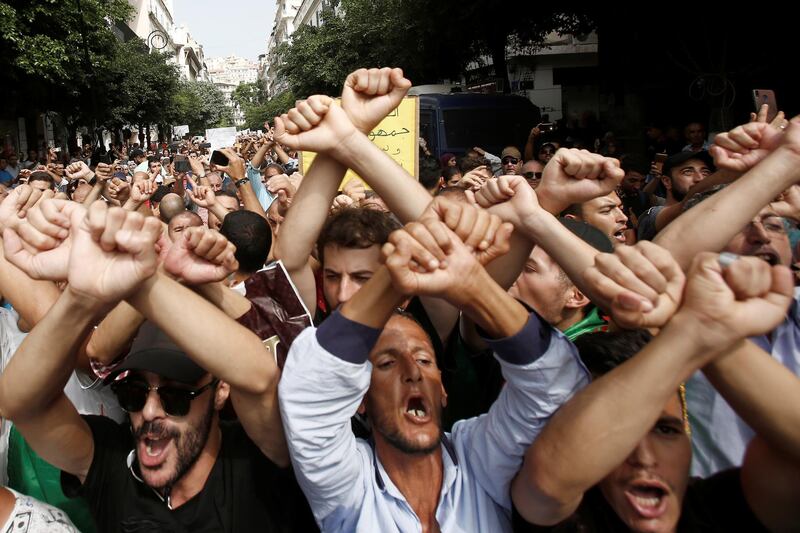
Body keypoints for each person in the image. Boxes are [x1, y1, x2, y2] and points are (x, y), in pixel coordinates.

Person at [0, 201, 316, 531]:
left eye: (176, 396)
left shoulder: (257, 465)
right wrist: (81, 296)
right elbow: (21, 404)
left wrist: (145, 280)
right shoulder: (116, 462)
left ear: (221, 390)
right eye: (134, 393)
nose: (150, 411)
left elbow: (260, 376)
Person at [279, 198, 589, 532]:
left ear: (442, 388)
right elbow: (309, 395)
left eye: (425, 360)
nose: (412, 372)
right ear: (360, 399)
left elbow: (555, 387)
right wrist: (400, 264)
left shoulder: (480, 462)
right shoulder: (349, 488)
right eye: (385, 363)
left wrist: (476, 287)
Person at [512, 247, 800, 532]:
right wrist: (691, 331)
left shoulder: (717, 512)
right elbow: (548, 483)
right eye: (619, 430)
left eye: (666, 430)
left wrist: (709, 327)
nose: (644, 458)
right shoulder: (568, 519)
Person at [637, 151, 714, 241]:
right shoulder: (652, 216)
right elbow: (686, 206)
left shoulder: (711, 216)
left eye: (705, 172)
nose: (700, 178)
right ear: (667, 181)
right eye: (688, 172)